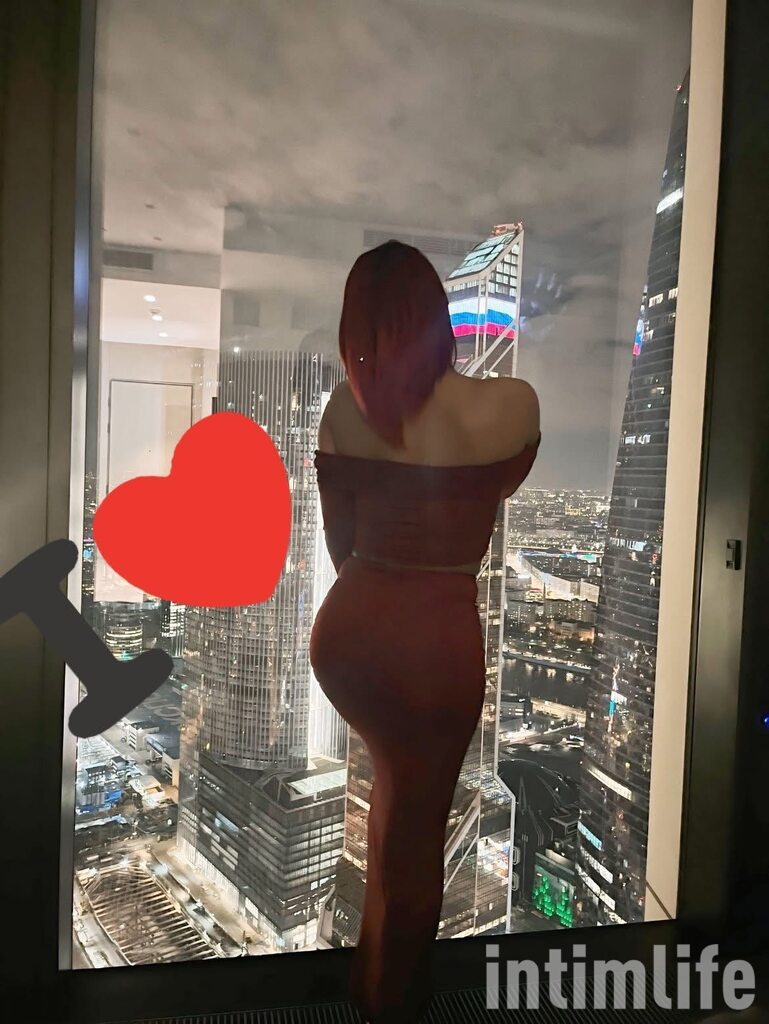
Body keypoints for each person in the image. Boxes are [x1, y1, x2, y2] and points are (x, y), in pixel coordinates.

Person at [309, 240, 541, 1023]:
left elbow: (340, 545)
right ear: (439, 318)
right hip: (436, 650)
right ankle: (392, 1005)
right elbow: (500, 483)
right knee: (415, 836)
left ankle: (370, 989)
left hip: (349, 637)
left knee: (391, 802)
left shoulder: (344, 411)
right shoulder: (511, 406)